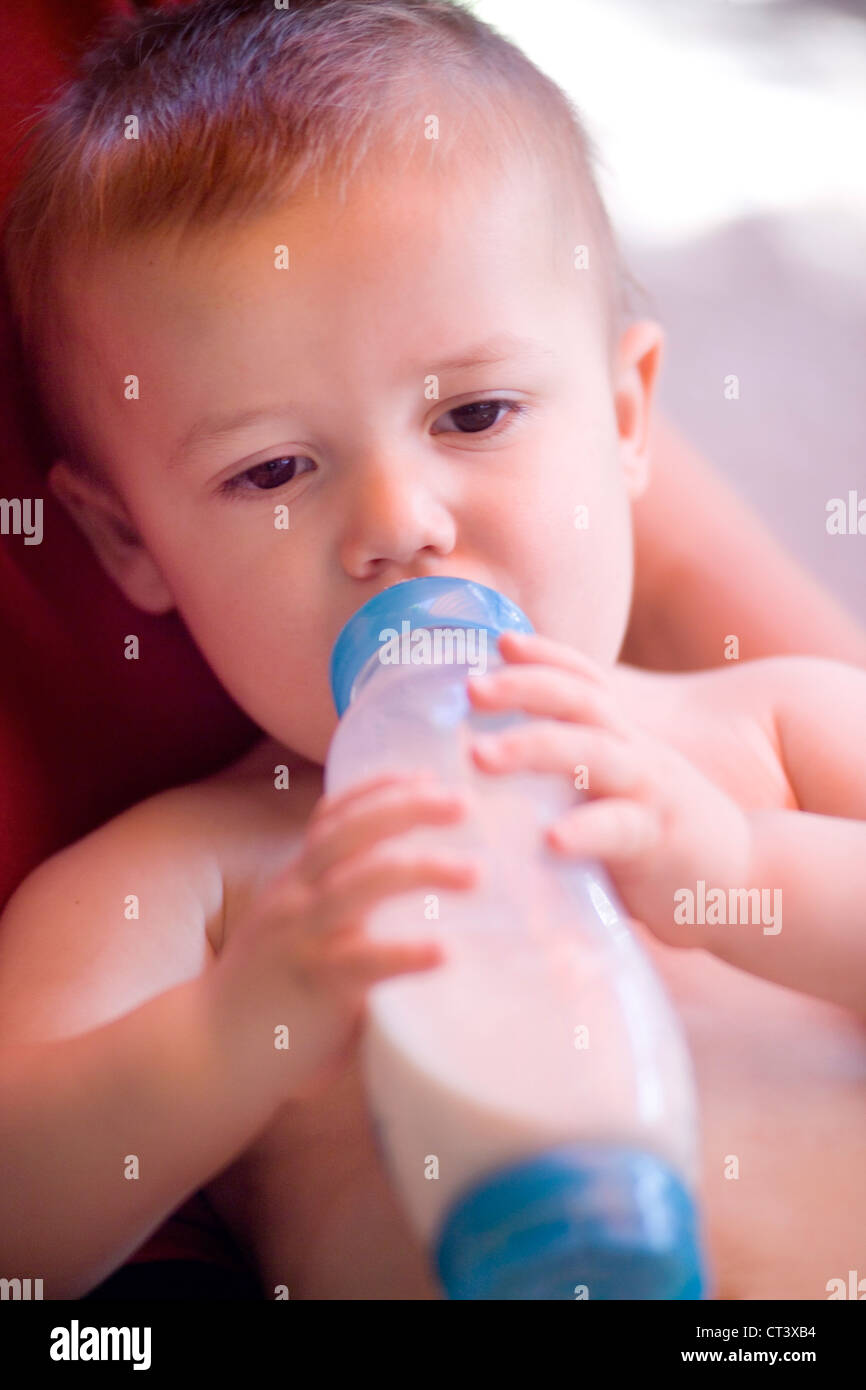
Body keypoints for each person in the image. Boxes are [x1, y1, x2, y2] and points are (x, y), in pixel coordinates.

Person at [0, 0, 864, 1300]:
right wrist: (237, 1029)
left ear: (626, 414)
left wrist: (741, 874)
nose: (398, 524)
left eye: (473, 411)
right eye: (274, 467)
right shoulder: (206, 883)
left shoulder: (769, 735)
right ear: (129, 542)